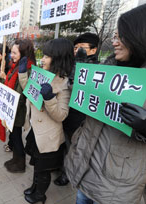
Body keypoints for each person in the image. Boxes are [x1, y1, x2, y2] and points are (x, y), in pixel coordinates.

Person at [65, 4, 146, 204]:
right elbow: (84, 101)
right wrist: (79, 77)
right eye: (114, 36)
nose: (115, 42)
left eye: (121, 37)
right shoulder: (105, 69)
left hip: (116, 187)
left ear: (139, 36)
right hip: (86, 169)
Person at [19, 38, 74, 204]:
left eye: (47, 56)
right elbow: (29, 89)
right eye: (43, 55)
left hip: (48, 137)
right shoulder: (42, 74)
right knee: (36, 165)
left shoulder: (64, 83)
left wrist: (49, 98)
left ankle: (39, 195)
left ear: (58, 58)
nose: (42, 59)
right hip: (36, 131)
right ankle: (34, 188)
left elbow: (61, 115)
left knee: (43, 170)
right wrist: (23, 73)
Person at [54, 33, 100, 186]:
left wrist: (82, 69)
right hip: (67, 111)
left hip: (81, 117)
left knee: (74, 146)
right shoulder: (71, 64)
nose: (77, 51)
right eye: (75, 48)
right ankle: (61, 166)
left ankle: (68, 173)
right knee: (65, 141)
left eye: (82, 47)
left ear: (93, 50)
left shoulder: (100, 71)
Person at [0, 39, 36, 173]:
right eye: (11, 53)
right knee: (14, 136)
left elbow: (22, 92)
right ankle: (15, 159)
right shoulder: (15, 66)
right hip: (12, 108)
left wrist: (11, 108)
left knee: (16, 137)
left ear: (24, 53)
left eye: (14, 53)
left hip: (18, 109)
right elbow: (10, 85)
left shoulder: (27, 69)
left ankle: (20, 164)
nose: (11, 55)